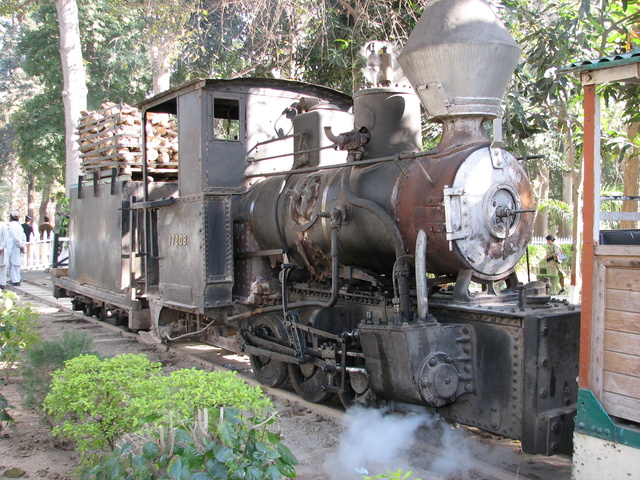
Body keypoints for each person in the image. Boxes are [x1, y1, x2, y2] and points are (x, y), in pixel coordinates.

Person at [7, 211, 26, 287]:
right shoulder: (19, 226)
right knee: (15, 263)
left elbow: (16, 238)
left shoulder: (11, 226)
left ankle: (15, 280)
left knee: (14, 264)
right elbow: (23, 237)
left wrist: (20, 245)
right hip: (17, 247)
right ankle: (15, 279)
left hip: (14, 247)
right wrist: (22, 246)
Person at [0, 220, 7, 290]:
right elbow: (5, 238)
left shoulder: (2, 225)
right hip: (2, 250)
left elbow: (5, 238)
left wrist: (1, 248)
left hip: (1, 251)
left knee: (2, 268)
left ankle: (2, 284)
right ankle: (2, 284)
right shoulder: (3, 225)